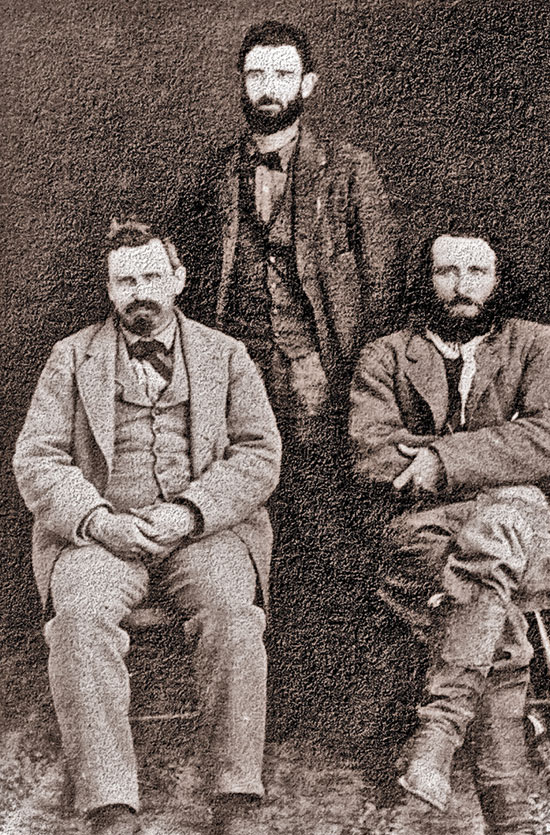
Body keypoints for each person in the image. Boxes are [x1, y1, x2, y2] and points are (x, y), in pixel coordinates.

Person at [13, 220, 281, 835]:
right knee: (76, 619)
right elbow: (37, 459)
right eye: (126, 279)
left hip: (201, 531)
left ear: (179, 278)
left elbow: (259, 454)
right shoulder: (70, 357)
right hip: (102, 534)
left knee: (232, 615)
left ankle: (236, 798)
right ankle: (110, 809)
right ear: (109, 288)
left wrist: (191, 511)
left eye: (152, 276)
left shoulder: (227, 355)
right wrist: (100, 520)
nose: (141, 292)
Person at [170, 20, 401, 735]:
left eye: (281, 75)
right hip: (238, 384)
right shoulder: (216, 174)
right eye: (255, 75)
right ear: (242, 85)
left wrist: (357, 382)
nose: (267, 89)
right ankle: (266, 701)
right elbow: (192, 282)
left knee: (325, 527)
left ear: (308, 85)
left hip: (322, 382)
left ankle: (347, 698)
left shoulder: (348, 168)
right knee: (247, 529)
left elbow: (382, 282)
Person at [349, 229, 550, 835]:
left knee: (498, 535)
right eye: (445, 270)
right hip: (422, 535)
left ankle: (440, 738)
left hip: (525, 528)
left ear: (499, 277)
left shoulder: (537, 344)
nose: (460, 284)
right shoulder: (388, 355)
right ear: (423, 279)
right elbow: (370, 453)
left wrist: (439, 459)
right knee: (496, 616)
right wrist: (492, 465)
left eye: (476, 270)